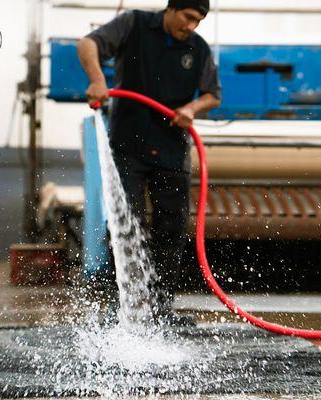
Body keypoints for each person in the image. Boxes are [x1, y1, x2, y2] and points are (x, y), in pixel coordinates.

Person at [77, 0, 221, 325]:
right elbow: (88, 44)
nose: (192, 26)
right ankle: (122, 306)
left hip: (171, 149)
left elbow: (213, 94)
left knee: (171, 227)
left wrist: (192, 109)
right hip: (128, 145)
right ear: (172, 8)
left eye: (198, 21)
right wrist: (98, 79)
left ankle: (159, 309)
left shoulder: (198, 49)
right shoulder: (134, 24)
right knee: (127, 221)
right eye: (188, 17)